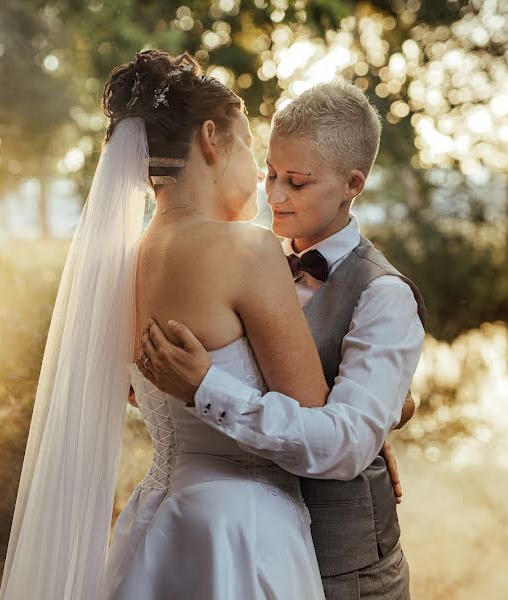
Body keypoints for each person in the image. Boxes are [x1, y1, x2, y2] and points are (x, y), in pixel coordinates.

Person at [137, 80, 427, 599]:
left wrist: (207, 388)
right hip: (242, 549)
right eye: (269, 172)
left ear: (351, 184)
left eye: (296, 182)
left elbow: (344, 447)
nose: (272, 195)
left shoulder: (385, 297)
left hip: (349, 573)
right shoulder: (246, 259)